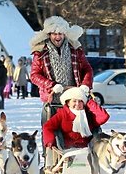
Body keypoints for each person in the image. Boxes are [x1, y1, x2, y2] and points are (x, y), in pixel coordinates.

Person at [29, 16, 93, 152]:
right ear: (49, 34)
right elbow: (34, 75)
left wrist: (85, 84)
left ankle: (79, 158)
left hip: (74, 99)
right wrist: (51, 85)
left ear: (65, 34)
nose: (57, 37)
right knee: (49, 132)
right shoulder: (40, 52)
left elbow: (87, 69)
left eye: (60, 33)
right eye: (54, 34)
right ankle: (50, 161)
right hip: (52, 100)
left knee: (77, 132)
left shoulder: (75, 49)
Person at [42, 87, 110, 169]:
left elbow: (104, 117)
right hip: (67, 149)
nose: (77, 104)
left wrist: (89, 102)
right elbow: (47, 127)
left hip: (88, 148)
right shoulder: (62, 114)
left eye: (80, 101)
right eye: (74, 101)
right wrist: (50, 142)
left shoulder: (88, 115)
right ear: (68, 102)